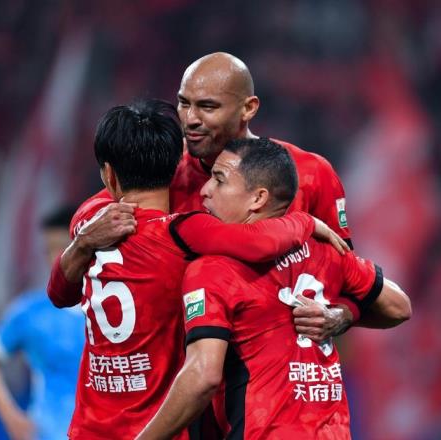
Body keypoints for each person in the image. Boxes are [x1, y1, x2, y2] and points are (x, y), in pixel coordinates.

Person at [48, 99, 347, 440]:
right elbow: (258, 242)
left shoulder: (88, 220)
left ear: (109, 174)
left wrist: (82, 243)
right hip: (156, 429)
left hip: (89, 428)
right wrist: (305, 221)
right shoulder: (182, 232)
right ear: (178, 164)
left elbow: (58, 294)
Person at [52, 51, 370, 338]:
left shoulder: (311, 174)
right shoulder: (168, 170)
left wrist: (341, 315)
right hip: (192, 370)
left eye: (207, 107)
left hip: (273, 374)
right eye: (184, 103)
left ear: (248, 108)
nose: (190, 119)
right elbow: (96, 209)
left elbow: (349, 279)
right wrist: (84, 237)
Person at [137, 138, 412, 440]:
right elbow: (399, 307)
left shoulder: (213, 270)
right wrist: (343, 316)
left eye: (219, 180)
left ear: (258, 198)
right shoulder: (325, 250)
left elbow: (202, 377)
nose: (205, 190)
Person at [0, 206, 84, 440]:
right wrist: (11, 417)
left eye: (63, 247)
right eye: (49, 249)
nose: (55, 257)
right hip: (47, 433)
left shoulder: (112, 308)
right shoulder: (32, 312)